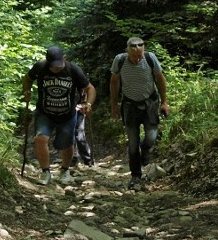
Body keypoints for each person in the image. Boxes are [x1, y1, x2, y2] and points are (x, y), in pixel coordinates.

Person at [22, 46, 96, 185]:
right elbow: (27, 78)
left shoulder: (73, 69)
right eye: (53, 66)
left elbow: (90, 88)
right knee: (40, 139)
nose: (56, 69)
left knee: (66, 144)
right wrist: (26, 90)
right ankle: (45, 173)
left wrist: (89, 104)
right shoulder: (40, 67)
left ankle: (65, 170)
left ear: (64, 59)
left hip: (67, 114)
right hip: (45, 113)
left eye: (59, 65)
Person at [109, 36, 170, 190]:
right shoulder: (119, 60)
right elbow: (114, 81)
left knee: (151, 137)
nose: (137, 59)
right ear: (127, 51)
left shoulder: (150, 58)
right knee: (132, 144)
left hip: (149, 103)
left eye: (140, 55)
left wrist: (164, 102)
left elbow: (160, 79)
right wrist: (114, 105)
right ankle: (135, 176)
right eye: (134, 56)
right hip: (129, 105)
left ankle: (146, 151)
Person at [72, 90, 94, 167]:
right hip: (68, 112)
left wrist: (85, 105)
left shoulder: (81, 82)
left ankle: (88, 160)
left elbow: (85, 95)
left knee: (79, 135)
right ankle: (73, 159)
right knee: (70, 135)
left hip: (79, 112)